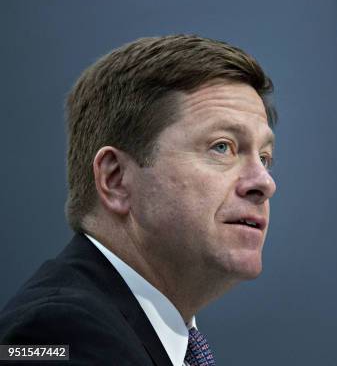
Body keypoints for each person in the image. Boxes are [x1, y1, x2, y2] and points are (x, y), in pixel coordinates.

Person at [0, 35, 277, 365]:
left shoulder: (128, 332)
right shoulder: (58, 335)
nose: (264, 182)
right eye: (222, 147)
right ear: (116, 180)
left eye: (264, 157)